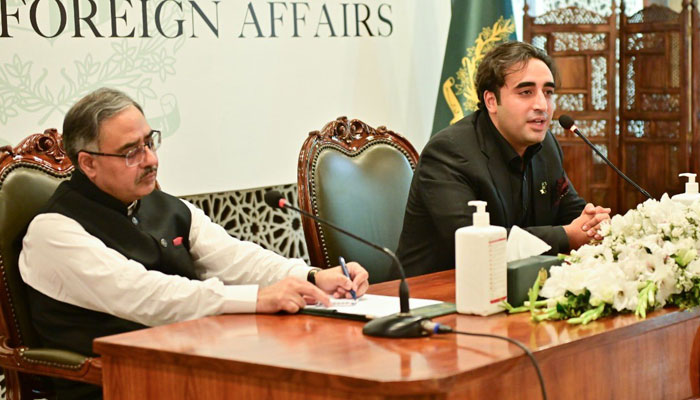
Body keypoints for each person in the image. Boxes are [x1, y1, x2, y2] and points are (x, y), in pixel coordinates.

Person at [19, 88, 369, 399]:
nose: (151, 160)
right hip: (113, 383)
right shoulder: (54, 232)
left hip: (187, 365)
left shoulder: (165, 205)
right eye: (130, 152)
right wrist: (257, 299)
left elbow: (232, 257)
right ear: (88, 163)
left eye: (149, 142)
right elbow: (145, 296)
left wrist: (310, 277)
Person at [396, 41, 611, 277]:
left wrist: (593, 222)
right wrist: (567, 235)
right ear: (491, 101)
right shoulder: (448, 152)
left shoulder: (546, 145)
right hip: (432, 295)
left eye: (548, 93)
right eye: (526, 92)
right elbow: (477, 245)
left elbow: (570, 209)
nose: (542, 105)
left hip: (512, 286)